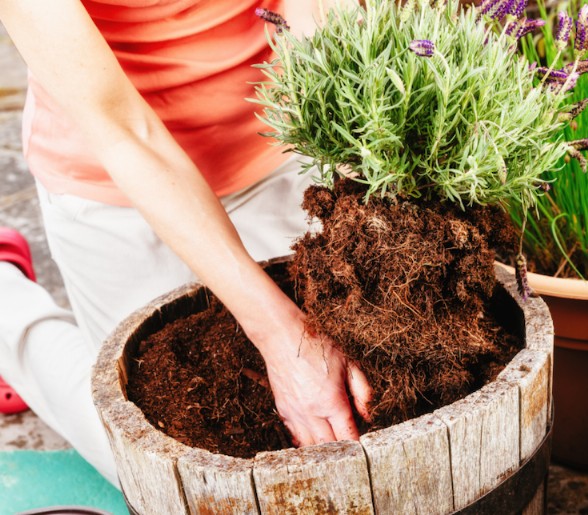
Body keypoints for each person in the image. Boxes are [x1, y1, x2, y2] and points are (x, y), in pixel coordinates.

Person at [0, 0, 371, 486]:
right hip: (116, 185)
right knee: (152, 469)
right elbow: (123, 129)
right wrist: (283, 340)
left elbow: (319, 18)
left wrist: (358, 187)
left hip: (275, 144)